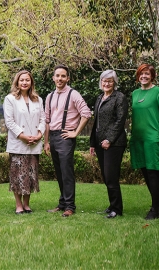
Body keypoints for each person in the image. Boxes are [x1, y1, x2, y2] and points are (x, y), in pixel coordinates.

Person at [44, 65, 92, 217]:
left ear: (68, 78)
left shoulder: (73, 94)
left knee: (67, 173)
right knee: (59, 173)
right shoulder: (49, 96)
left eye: (63, 76)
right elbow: (46, 120)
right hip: (53, 136)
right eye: (57, 76)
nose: (60, 78)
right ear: (53, 78)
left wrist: (75, 132)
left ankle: (70, 206)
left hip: (66, 137)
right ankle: (62, 203)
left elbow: (86, 113)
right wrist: (46, 142)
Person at [129, 63, 159, 220]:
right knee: (145, 171)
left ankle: (155, 209)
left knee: (153, 172)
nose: (144, 76)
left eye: (147, 74)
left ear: (152, 76)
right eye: (141, 73)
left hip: (153, 138)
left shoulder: (158, 92)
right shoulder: (135, 93)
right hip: (138, 138)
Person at [4, 70, 45, 214]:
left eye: (27, 80)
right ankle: (18, 205)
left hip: (34, 142)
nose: (24, 82)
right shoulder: (10, 99)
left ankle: (27, 204)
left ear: (31, 82)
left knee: (31, 174)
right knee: (17, 175)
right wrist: (23, 136)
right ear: (17, 82)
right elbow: (9, 121)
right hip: (18, 143)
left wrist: (39, 134)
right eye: (22, 80)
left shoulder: (38, 99)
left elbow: (42, 119)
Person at [89, 70, 128, 219]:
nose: (106, 83)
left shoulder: (119, 97)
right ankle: (112, 205)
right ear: (101, 82)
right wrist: (93, 142)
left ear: (114, 82)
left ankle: (117, 209)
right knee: (106, 176)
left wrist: (109, 140)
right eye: (104, 81)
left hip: (114, 143)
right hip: (100, 143)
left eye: (110, 81)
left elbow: (120, 120)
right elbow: (96, 123)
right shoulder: (100, 98)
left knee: (111, 176)